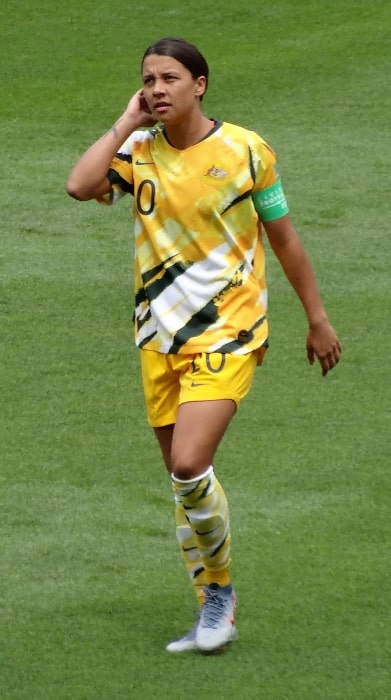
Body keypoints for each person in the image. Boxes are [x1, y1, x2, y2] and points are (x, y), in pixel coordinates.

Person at [66, 36, 342, 654]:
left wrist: (316, 317)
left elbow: (286, 239)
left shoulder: (246, 151)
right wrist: (127, 120)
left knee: (190, 463)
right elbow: (79, 185)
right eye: (148, 79)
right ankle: (214, 595)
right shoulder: (137, 149)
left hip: (230, 330)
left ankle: (219, 600)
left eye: (169, 78)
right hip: (156, 336)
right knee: (183, 481)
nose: (157, 88)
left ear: (200, 85)